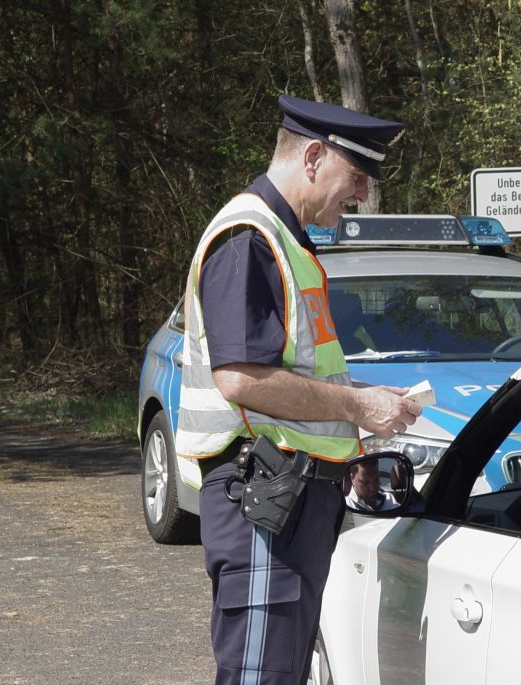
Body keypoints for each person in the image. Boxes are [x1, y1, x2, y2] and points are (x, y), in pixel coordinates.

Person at [176, 94, 422, 685]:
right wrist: (359, 406)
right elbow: (240, 377)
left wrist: (361, 395)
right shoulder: (249, 237)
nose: (361, 194)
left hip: (289, 502)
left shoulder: (284, 238)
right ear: (313, 157)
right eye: (356, 176)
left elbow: (295, 371)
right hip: (263, 500)